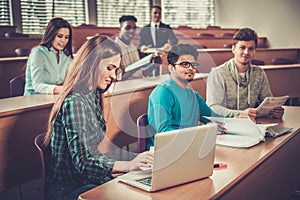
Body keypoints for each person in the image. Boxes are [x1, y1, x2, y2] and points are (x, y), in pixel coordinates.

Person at [43, 35, 154, 200]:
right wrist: (128, 165)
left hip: (86, 180)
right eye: (109, 68)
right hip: (68, 189)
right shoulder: (75, 101)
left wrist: (137, 160)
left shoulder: (93, 95)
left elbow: (95, 153)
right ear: (91, 63)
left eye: (115, 69)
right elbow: (83, 163)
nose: (114, 76)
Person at [147, 44, 223, 149]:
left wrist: (239, 117)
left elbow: (214, 117)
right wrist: (200, 133)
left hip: (189, 147)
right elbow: (163, 133)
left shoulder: (193, 95)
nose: (191, 68)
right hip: (165, 151)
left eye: (193, 64)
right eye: (184, 64)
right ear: (171, 67)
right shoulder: (163, 92)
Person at [206, 28, 284, 121]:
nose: (246, 52)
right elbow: (213, 108)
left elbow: (266, 103)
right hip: (225, 125)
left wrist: (273, 112)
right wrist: (241, 114)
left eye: (251, 49)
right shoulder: (217, 74)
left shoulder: (259, 73)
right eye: (242, 48)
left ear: (255, 51)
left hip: (252, 124)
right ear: (233, 49)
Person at [24, 17, 73, 95]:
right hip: (34, 99)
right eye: (59, 36)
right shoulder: (38, 52)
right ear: (51, 35)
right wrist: (62, 89)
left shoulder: (66, 56)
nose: (63, 40)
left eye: (66, 37)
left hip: (54, 97)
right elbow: (37, 86)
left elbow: (67, 82)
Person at [115, 15, 151, 80]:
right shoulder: (114, 49)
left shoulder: (133, 47)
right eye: (128, 28)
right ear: (120, 29)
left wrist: (154, 65)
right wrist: (137, 67)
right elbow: (118, 78)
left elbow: (140, 74)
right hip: (126, 87)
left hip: (140, 83)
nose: (131, 31)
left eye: (134, 28)